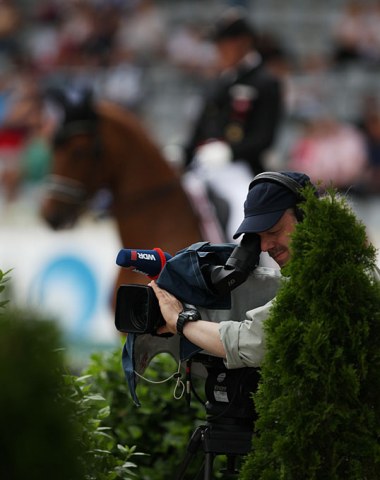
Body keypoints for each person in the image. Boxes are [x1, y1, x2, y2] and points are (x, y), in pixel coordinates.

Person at [150, 171, 311, 369]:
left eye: (273, 231)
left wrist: (180, 320)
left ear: (306, 216)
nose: (264, 247)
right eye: (257, 237)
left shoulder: (324, 277)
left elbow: (255, 343)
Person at [182, 8, 284, 241]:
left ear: (243, 42)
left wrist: (229, 151)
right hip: (201, 166)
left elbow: (265, 138)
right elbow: (199, 130)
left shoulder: (266, 81)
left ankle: (251, 269)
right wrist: (181, 153)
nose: (219, 50)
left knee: (244, 212)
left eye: (224, 43)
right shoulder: (216, 83)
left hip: (240, 168)